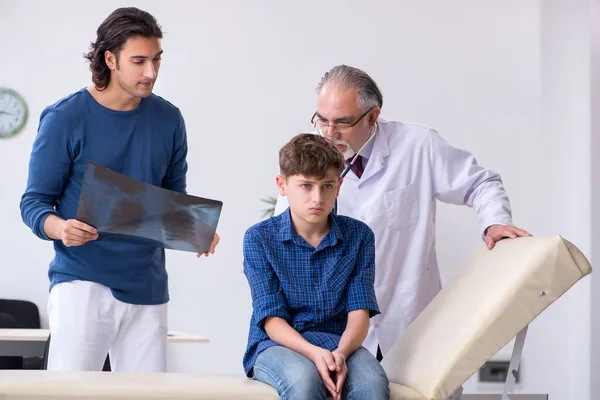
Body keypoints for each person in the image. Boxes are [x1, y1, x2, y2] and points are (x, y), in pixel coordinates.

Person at [274, 65, 531, 361]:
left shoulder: (418, 146)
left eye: (342, 123)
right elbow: (280, 232)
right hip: (335, 329)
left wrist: (495, 222)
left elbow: (480, 183)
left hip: (408, 318)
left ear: (372, 116)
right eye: (323, 121)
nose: (329, 134)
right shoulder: (309, 155)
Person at [20, 7, 218, 372]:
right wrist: (61, 229)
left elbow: (171, 201)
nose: (151, 72)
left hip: (148, 288)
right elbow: (33, 203)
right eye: (139, 61)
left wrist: (194, 228)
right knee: (69, 398)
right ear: (110, 59)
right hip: (81, 283)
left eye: (157, 60)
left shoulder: (169, 119)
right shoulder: (65, 117)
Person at [243, 134, 390, 400]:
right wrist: (314, 354)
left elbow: (359, 315)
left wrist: (341, 355)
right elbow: (272, 320)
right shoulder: (259, 238)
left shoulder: (359, 236)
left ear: (339, 186)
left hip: (338, 342)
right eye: (306, 186)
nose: (317, 198)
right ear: (282, 185)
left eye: (326, 186)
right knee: (304, 380)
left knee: (372, 384)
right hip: (275, 344)